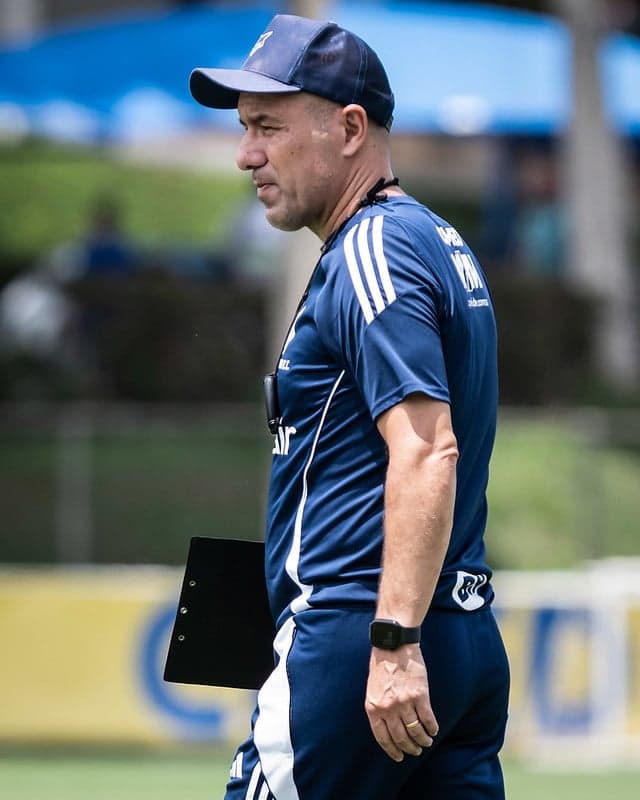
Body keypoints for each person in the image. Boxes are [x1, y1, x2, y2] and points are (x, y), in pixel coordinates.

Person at [190, 14, 509, 800]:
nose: (246, 154)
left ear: (350, 128)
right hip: (459, 632)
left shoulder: (371, 246)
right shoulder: (437, 240)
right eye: (242, 129)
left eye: (266, 126)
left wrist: (394, 640)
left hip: (364, 643)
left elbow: (427, 448)